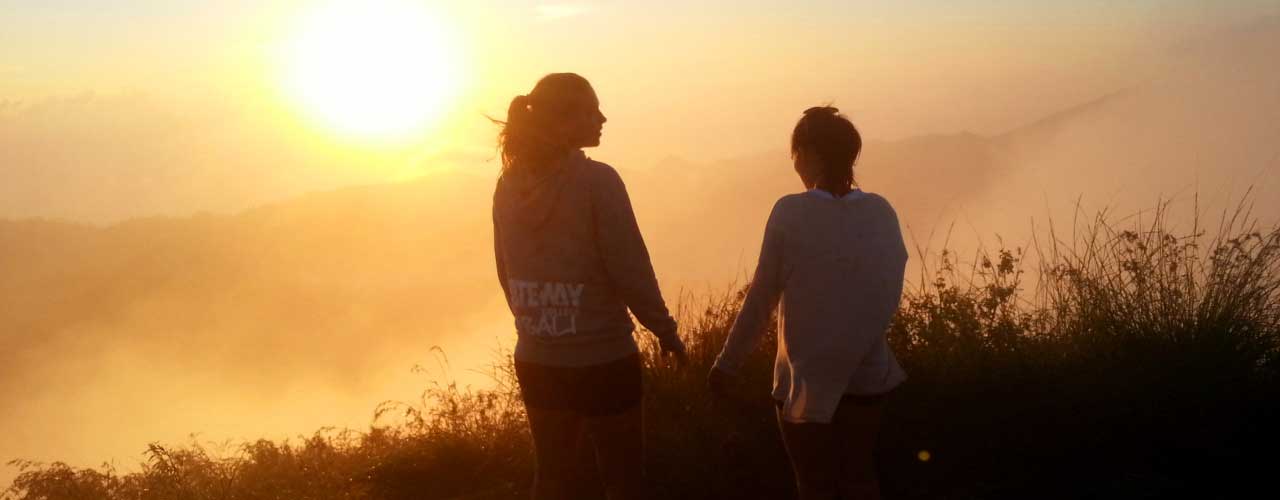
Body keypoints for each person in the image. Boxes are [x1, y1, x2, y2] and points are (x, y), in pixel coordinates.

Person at [491, 72, 687, 500]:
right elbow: (630, 269)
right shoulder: (599, 182)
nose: (602, 118)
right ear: (562, 122)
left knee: (553, 478)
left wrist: (538, 323)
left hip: (537, 357)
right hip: (603, 356)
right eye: (590, 111)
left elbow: (506, 271)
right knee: (623, 480)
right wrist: (666, 332)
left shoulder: (506, 186)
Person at [708, 106, 908, 500]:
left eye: (795, 152)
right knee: (859, 477)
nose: (794, 163)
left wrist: (726, 364)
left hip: (803, 380)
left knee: (814, 484)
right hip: (868, 373)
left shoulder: (790, 211)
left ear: (810, 153)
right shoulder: (881, 212)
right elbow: (889, 287)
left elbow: (762, 296)